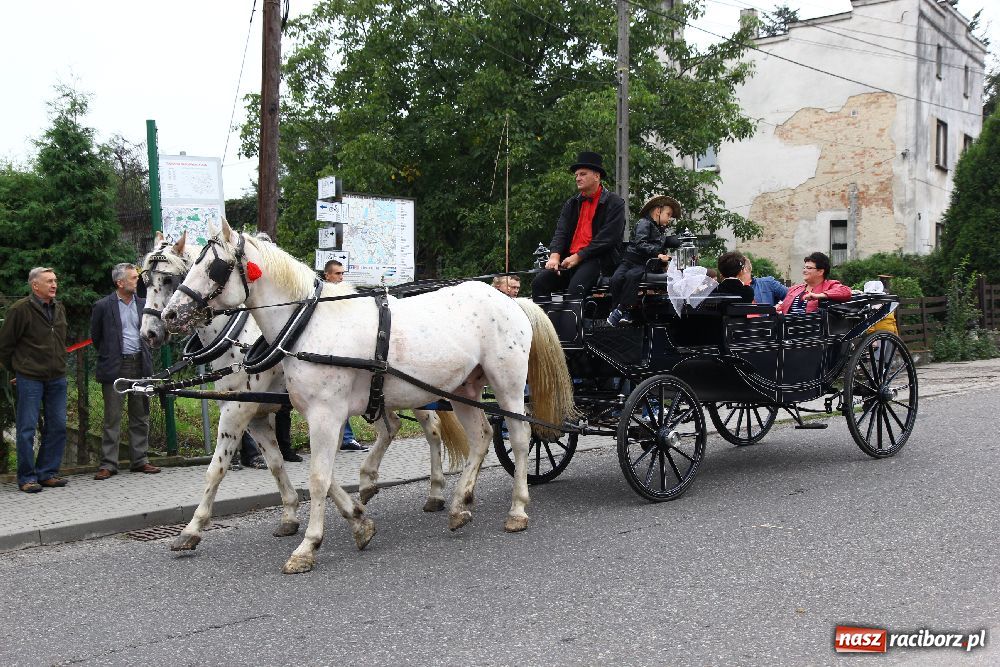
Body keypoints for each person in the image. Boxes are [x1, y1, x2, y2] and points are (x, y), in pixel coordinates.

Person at [0, 267, 70, 493]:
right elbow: (5, 347)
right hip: (30, 378)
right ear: (35, 285)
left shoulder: (59, 307)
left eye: (55, 281)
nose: (54, 285)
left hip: (57, 377)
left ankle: (48, 473)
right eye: (49, 281)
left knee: (58, 426)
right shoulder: (20, 309)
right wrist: (18, 370)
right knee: (27, 428)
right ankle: (27, 477)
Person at [91, 263, 160, 479]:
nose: (136, 280)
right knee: (112, 417)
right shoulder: (103, 306)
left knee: (140, 415)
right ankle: (108, 464)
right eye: (132, 278)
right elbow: (96, 337)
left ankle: (140, 460)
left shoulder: (144, 304)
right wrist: (111, 354)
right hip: (115, 366)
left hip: (141, 364)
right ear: (119, 282)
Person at [532, 151, 626, 302]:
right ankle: (545, 325)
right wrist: (555, 256)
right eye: (576, 175)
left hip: (598, 260)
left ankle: (574, 325)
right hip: (570, 259)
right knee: (539, 283)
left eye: (582, 174)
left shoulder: (615, 203)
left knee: (575, 290)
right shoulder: (571, 204)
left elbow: (608, 238)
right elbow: (560, 232)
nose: (577, 178)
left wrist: (579, 256)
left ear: (597, 176)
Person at [606, 194, 680, 327]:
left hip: (644, 263)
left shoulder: (659, 229)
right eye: (668, 214)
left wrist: (662, 256)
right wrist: (658, 255)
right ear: (658, 211)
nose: (669, 219)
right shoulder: (644, 223)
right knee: (616, 279)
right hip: (631, 261)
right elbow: (641, 244)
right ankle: (619, 310)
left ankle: (622, 310)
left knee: (631, 276)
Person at [323, 259, 368, 452]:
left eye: (343, 274)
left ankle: (346, 437)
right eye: (338, 274)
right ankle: (345, 438)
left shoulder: (345, 294)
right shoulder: (324, 295)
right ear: (328, 275)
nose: (342, 277)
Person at [776, 252, 852, 315]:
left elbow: (846, 291)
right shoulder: (795, 289)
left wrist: (818, 296)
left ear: (820, 272)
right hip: (788, 328)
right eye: (804, 267)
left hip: (811, 329)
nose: (804, 270)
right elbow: (783, 306)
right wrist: (779, 307)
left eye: (809, 268)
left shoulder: (829, 285)